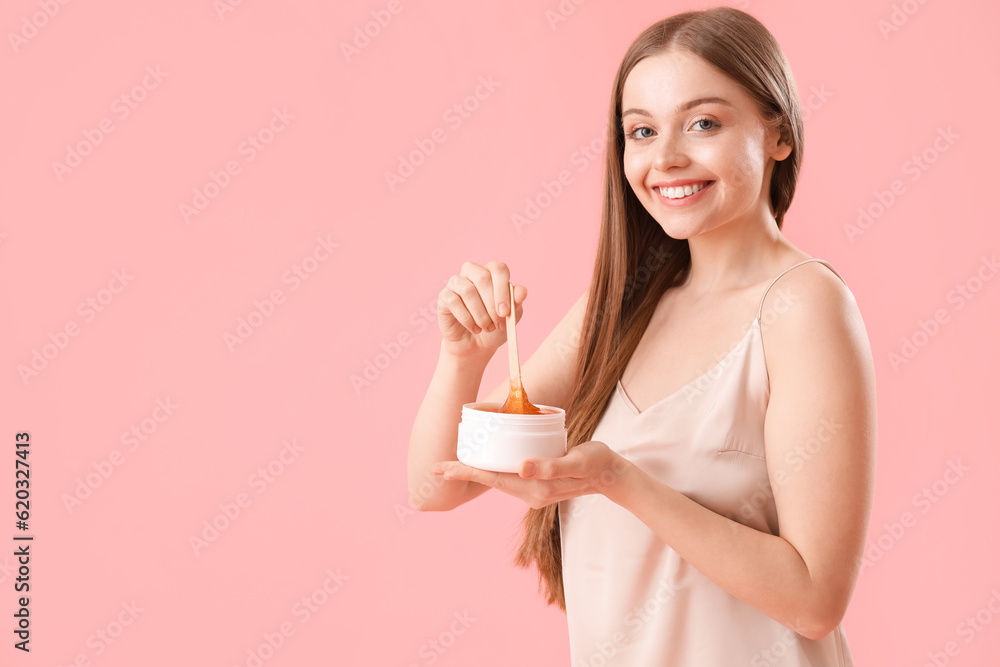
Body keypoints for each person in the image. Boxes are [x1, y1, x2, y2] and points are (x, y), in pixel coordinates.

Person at [407, 7, 875, 665]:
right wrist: (462, 358)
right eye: (642, 131)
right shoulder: (620, 309)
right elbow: (438, 484)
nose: (666, 158)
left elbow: (816, 598)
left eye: (704, 123)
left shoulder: (803, 306)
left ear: (778, 132)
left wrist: (619, 479)